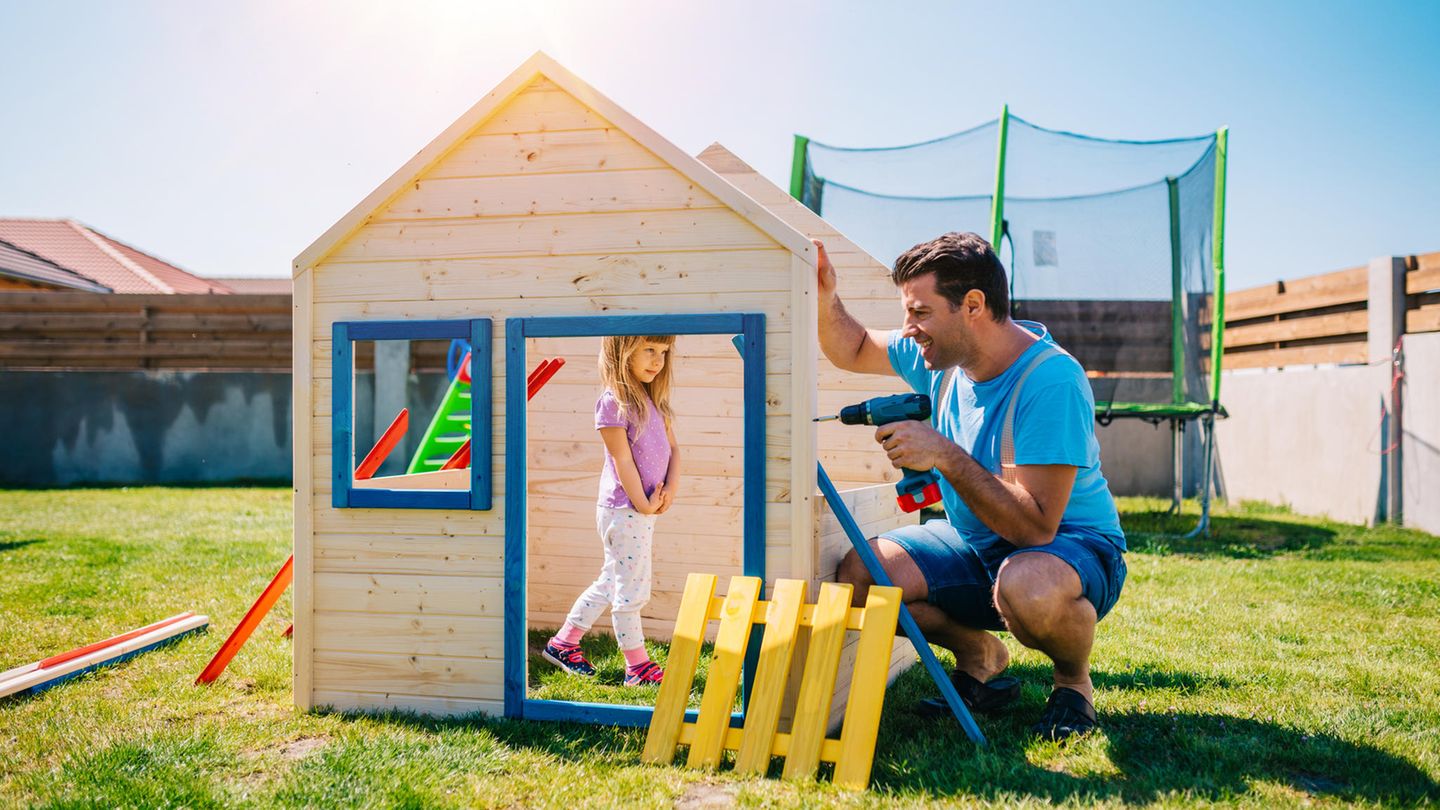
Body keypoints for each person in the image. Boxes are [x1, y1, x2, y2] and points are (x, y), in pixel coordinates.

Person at [816, 232, 1127, 739]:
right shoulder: (941, 357)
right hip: (977, 540)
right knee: (864, 575)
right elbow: (851, 347)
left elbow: (1034, 528)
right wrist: (827, 294)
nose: (908, 329)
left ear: (974, 305)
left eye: (920, 312)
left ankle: (1073, 684)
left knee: (1025, 585)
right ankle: (979, 654)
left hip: (1072, 549)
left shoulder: (1051, 382)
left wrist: (942, 452)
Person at [543, 335, 680, 686]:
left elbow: (674, 450)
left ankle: (564, 643)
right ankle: (638, 666)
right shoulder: (613, 403)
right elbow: (622, 459)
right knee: (631, 589)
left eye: (663, 352)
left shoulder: (655, 402)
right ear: (623, 351)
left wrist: (668, 494)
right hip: (623, 509)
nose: (657, 360)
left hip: (641, 509)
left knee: (612, 580)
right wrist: (643, 502)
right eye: (649, 350)